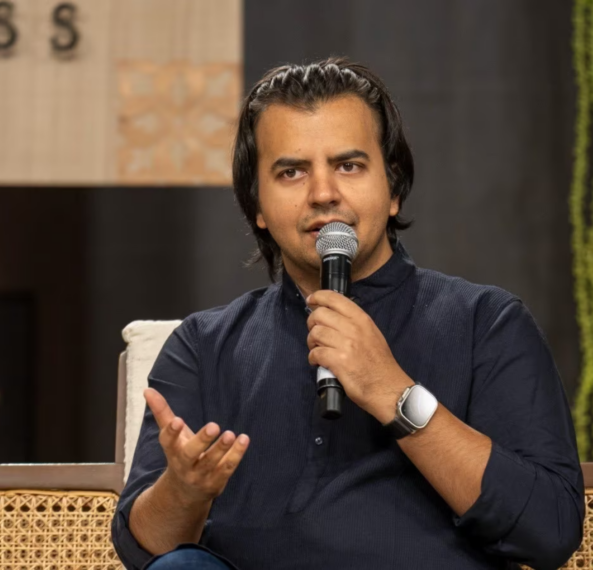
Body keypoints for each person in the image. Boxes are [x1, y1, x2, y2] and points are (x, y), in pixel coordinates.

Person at [111, 57, 585, 570]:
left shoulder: (486, 323)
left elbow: (550, 530)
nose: (323, 194)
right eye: (291, 172)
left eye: (349, 166)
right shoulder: (203, 346)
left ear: (394, 189)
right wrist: (184, 491)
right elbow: (145, 550)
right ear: (257, 208)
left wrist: (392, 392)